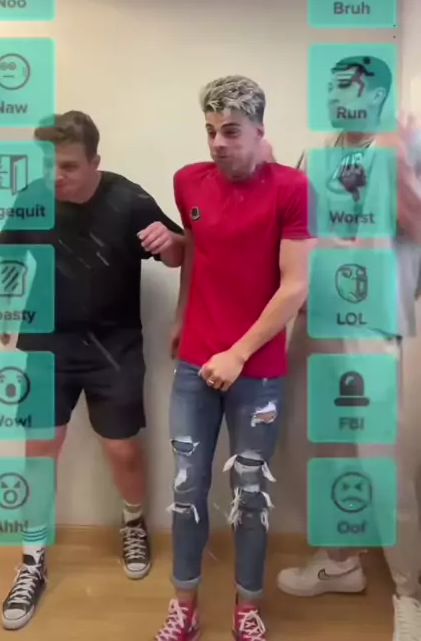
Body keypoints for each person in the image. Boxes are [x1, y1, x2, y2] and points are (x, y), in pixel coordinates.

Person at [0, 110, 185, 631]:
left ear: (96, 161)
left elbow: (179, 253)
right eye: (48, 164)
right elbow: (7, 255)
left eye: (69, 166)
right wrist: (6, 304)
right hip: (47, 344)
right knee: (39, 449)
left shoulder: (128, 199)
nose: (56, 176)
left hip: (113, 346)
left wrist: (173, 244)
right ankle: (32, 558)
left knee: (122, 450)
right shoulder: (32, 199)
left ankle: (133, 523)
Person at [154, 76, 314, 641]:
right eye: (210, 131)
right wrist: (181, 316)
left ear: (258, 131)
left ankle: (247, 607)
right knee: (186, 489)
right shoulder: (188, 181)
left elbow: (295, 286)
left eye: (230, 131)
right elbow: (198, 249)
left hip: (256, 368)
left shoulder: (292, 188)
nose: (217, 143)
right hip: (196, 363)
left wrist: (239, 353)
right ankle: (185, 605)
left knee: (251, 496)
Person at [276, 56, 421, 641]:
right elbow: (298, 235)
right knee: (322, 450)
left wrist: (397, 167)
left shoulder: (406, 146)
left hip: (373, 326)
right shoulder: (316, 154)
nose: (340, 98)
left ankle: (409, 590)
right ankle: (340, 562)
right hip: (316, 323)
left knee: (383, 461)